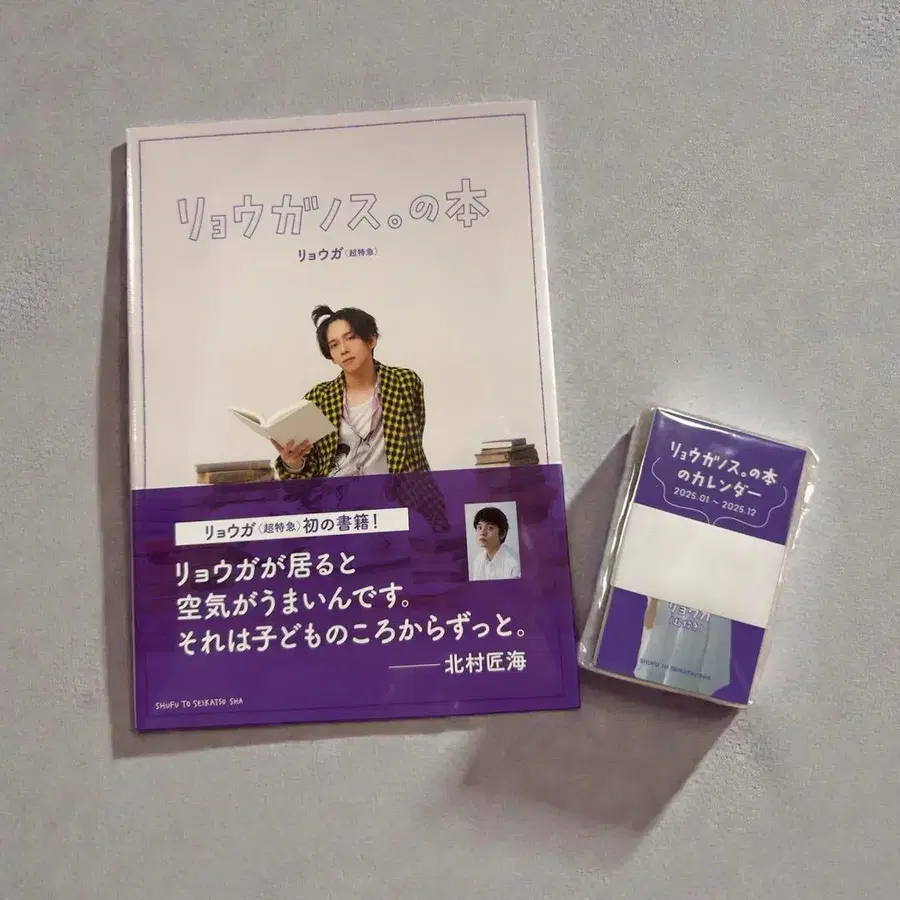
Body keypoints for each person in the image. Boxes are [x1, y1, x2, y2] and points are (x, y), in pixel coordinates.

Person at [272, 305, 431, 479]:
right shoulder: (318, 398)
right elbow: (311, 467)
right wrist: (293, 464)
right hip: (334, 494)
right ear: (331, 357)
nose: (343, 349)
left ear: (371, 340)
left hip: (394, 493)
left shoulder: (404, 382)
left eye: (350, 338)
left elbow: (413, 447)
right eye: (334, 345)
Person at [469, 507, 521, 581]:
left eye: (490, 528)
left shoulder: (514, 563)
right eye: (480, 527)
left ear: (502, 534)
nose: (482, 533)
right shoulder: (478, 560)